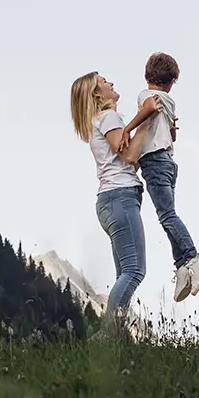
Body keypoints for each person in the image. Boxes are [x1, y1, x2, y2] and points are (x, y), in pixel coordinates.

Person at [70, 71, 161, 335]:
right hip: (120, 197)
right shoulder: (107, 117)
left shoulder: (101, 120)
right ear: (97, 94)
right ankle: (107, 336)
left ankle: (117, 337)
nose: (110, 82)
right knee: (134, 271)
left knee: (125, 272)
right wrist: (146, 118)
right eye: (104, 81)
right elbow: (130, 155)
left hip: (112, 201)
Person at [121, 52, 199, 302]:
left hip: (153, 161)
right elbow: (172, 135)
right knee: (167, 215)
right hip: (168, 163)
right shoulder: (170, 102)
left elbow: (150, 107)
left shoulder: (146, 95)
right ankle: (182, 266)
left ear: (145, 75)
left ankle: (193, 257)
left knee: (167, 215)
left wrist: (128, 129)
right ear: (172, 81)